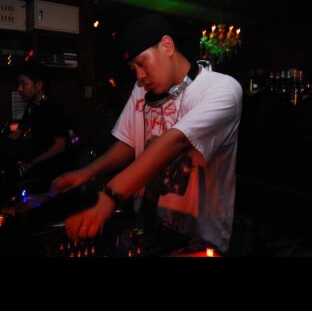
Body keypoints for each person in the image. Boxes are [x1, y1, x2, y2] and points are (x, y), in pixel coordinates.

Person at [50, 14, 243, 255]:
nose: (139, 76)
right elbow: (128, 142)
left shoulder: (222, 89)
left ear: (167, 46)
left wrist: (110, 194)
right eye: (134, 69)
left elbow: (177, 141)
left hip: (200, 242)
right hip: (149, 233)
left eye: (142, 63)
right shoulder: (142, 90)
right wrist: (87, 172)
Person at [0, 60, 72, 185]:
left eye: (24, 84)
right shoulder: (32, 107)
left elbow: (60, 146)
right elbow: (17, 134)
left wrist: (32, 162)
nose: (19, 89)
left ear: (39, 85)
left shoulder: (53, 108)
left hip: (51, 164)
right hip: (35, 156)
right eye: (19, 84)